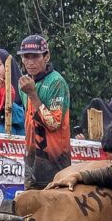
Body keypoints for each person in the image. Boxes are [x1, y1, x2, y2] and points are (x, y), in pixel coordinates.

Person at [17, 34, 71, 189]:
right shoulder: (25, 82)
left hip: (55, 161)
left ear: (46, 57)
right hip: (32, 159)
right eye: (26, 57)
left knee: (55, 206)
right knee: (31, 207)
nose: (30, 62)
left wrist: (33, 95)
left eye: (35, 57)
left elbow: (53, 123)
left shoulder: (56, 82)